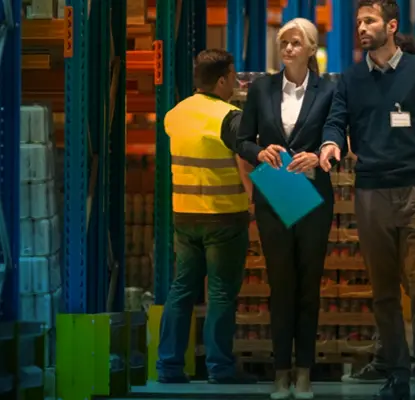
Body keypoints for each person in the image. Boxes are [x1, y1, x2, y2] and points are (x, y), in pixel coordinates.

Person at [319, 1, 415, 399]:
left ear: (391, 26)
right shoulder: (350, 78)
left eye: (370, 21)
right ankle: (398, 374)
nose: (362, 27)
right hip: (369, 191)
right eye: (359, 21)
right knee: (383, 290)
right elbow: (337, 118)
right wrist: (331, 142)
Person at [235, 17, 336, 400]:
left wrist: (319, 153)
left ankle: (305, 373)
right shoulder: (261, 89)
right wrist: (258, 151)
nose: (289, 49)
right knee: (281, 285)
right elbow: (243, 140)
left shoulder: (328, 92)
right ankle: (280, 374)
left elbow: (337, 133)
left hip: (313, 196)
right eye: (284, 43)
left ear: (311, 48)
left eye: (296, 43)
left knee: (309, 285)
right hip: (275, 194)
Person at [155, 49, 257, 385]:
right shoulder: (230, 117)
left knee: (181, 290)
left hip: (184, 218)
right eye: (233, 76)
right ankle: (220, 368)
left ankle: (169, 366)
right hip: (224, 219)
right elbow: (249, 160)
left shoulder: (174, 114)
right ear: (224, 78)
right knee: (221, 294)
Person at [342, 31, 415, 385]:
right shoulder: (367, 90)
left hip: (414, 200)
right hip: (379, 199)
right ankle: (391, 359)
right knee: (386, 289)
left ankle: (405, 361)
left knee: (412, 287)